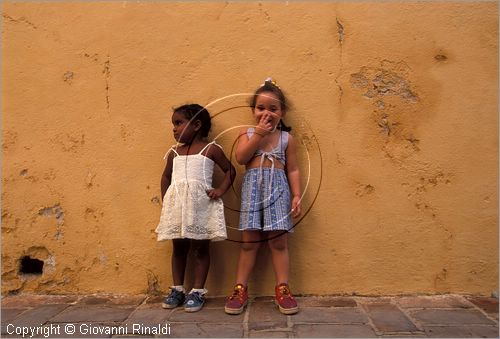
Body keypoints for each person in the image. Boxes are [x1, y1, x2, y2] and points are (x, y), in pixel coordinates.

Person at [224, 78, 302, 315]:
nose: (266, 113)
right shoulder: (246, 133)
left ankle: (283, 288)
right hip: (253, 192)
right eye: (261, 108)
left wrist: (296, 194)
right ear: (253, 111)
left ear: (282, 112)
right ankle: (240, 288)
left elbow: (293, 169)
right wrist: (258, 134)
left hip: (278, 191)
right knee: (249, 243)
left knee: (278, 242)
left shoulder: (287, 139)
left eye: (273, 108)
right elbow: (240, 158)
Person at [156, 103, 235, 312]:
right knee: (179, 248)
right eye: (173, 124)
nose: (174, 128)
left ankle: (197, 291)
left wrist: (220, 190)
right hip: (178, 209)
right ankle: (178, 289)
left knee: (201, 248)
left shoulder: (211, 149)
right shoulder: (174, 153)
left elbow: (230, 170)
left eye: (179, 123)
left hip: (201, 207)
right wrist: (167, 201)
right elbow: (165, 177)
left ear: (197, 125)